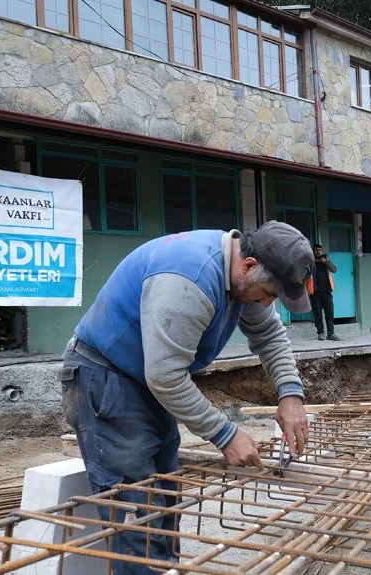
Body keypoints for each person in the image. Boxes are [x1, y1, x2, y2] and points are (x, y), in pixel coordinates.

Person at [61, 221, 313, 574]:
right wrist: (225, 435)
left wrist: (290, 394)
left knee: (165, 494)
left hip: (146, 381)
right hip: (106, 377)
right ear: (249, 266)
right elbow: (165, 376)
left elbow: (269, 334)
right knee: (135, 508)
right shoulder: (189, 278)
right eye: (269, 293)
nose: (267, 303)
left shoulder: (243, 276)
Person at [308, 243, 340, 341]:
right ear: (313, 251)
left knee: (329, 313)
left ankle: (331, 334)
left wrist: (325, 262)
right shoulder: (310, 262)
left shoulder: (326, 260)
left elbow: (334, 269)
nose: (318, 252)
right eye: (316, 250)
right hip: (315, 293)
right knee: (318, 314)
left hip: (327, 292)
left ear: (322, 251)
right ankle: (320, 333)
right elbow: (304, 274)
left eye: (320, 250)